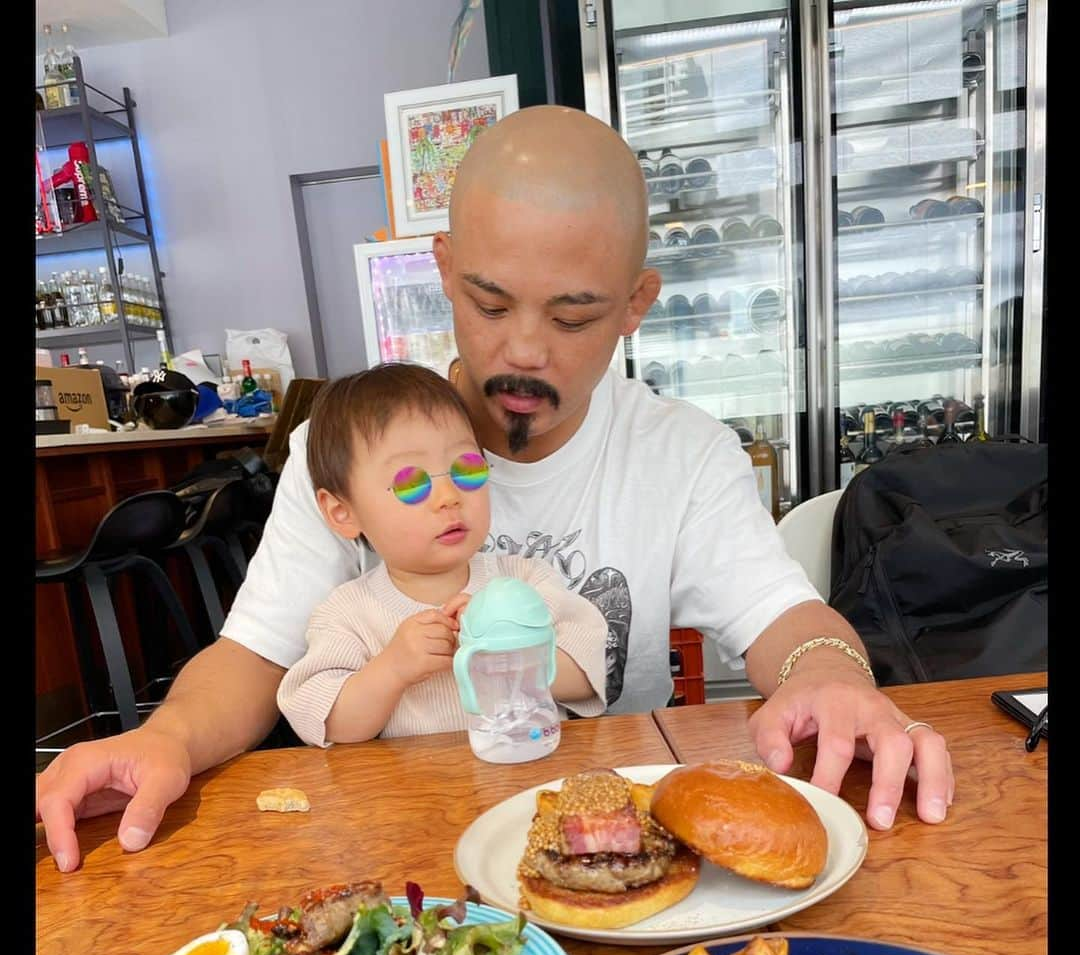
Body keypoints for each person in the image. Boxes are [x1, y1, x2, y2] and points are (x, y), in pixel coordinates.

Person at [37, 105, 953, 872]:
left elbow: (785, 620)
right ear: (443, 271)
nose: (522, 349)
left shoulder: (683, 454)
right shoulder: (344, 451)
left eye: (573, 314)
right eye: (487, 303)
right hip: (401, 856)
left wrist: (832, 679)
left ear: (636, 304)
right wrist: (165, 739)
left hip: (610, 846)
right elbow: (254, 660)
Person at [276, 364, 606, 744]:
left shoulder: (524, 581)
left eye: (465, 469)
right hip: (418, 796)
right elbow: (327, 721)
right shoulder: (349, 614)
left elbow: (588, 674)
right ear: (342, 512)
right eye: (411, 483)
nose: (449, 496)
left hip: (529, 779)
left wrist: (510, 649)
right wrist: (392, 669)